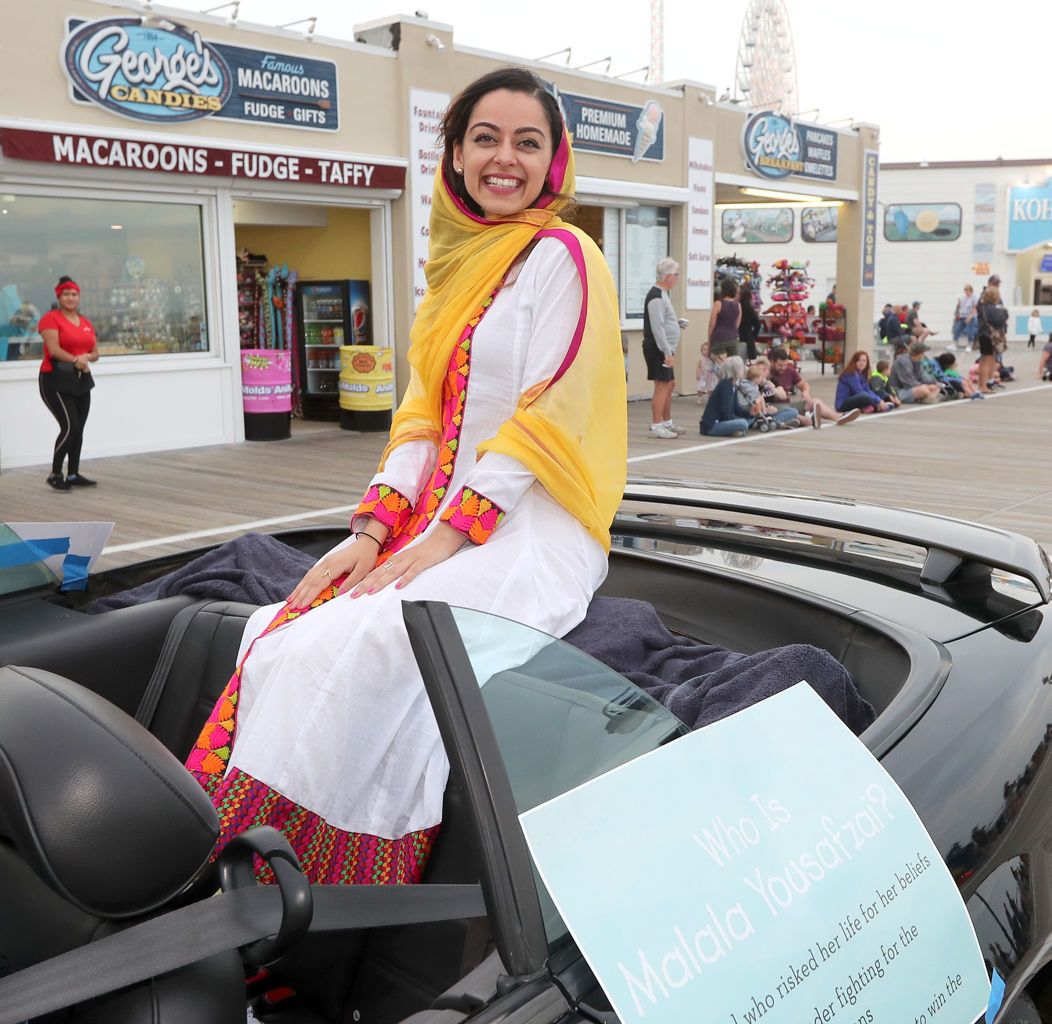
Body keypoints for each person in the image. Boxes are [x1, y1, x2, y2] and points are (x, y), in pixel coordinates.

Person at [185, 67, 627, 885]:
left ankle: (330, 887)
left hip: (528, 527)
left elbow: (547, 413)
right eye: (484, 139)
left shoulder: (566, 257)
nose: (505, 158)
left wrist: (452, 537)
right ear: (455, 155)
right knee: (287, 627)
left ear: (553, 160)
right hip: (440, 516)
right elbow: (420, 417)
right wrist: (372, 532)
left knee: (383, 636)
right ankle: (232, 871)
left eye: (527, 142)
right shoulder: (455, 269)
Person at [37, 276, 100, 491]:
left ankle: (73, 474)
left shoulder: (85, 323)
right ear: (59, 297)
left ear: (79, 297)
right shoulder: (50, 319)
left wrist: (86, 359)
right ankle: (56, 474)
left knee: (79, 429)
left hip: (81, 379)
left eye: (74, 294)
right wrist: (79, 360)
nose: (71, 298)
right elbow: (54, 351)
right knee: (70, 427)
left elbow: (95, 353)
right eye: (66, 294)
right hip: (55, 379)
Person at [643, 257, 685, 437]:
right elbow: (657, 327)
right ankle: (656, 425)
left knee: (670, 383)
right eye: (676, 274)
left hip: (665, 348)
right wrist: (666, 352)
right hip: (659, 349)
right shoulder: (656, 296)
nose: (677, 278)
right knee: (662, 385)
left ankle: (666, 421)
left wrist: (675, 323)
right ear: (668, 276)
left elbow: (663, 321)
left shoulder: (664, 294)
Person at [767, 347, 858, 427]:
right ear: (772, 362)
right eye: (779, 365)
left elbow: (803, 384)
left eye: (785, 365)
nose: (782, 368)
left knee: (814, 402)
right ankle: (809, 419)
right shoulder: (767, 373)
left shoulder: (790, 371)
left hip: (788, 403)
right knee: (805, 420)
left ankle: (838, 417)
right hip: (775, 406)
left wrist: (805, 392)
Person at [699, 355, 751, 437]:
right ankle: (735, 430)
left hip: (724, 420)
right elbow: (725, 408)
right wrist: (732, 422)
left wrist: (751, 413)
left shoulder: (733, 386)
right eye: (741, 368)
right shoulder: (725, 384)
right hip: (713, 425)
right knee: (743, 423)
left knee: (749, 418)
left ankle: (736, 429)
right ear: (735, 370)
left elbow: (736, 408)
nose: (743, 370)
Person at [737, 363, 800, 429]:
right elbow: (753, 402)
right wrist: (766, 410)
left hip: (769, 412)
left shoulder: (769, 381)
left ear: (768, 371)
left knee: (793, 411)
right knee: (760, 399)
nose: (763, 373)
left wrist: (773, 389)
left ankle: (771, 422)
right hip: (757, 412)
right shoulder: (749, 386)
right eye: (760, 370)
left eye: (765, 370)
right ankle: (777, 423)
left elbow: (784, 396)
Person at [975, 276, 1007, 395]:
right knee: (987, 360)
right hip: (988, 335)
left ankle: (984, 384)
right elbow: (999, 320)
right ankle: (984, 385)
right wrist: (1003, 311)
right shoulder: (991, 308)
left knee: (986, 359)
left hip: (984, 333)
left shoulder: (983, 305)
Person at [707, 276, 742, 361]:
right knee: (732, 367)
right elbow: (737, 323)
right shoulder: (738, 305)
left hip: (719, 338)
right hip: (733, 338)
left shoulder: (718, 304)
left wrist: (709, 341)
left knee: (720, 367)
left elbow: (712, 324)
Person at [738, 283, 761, 361]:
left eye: (738, 293)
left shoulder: (747, 310)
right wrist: (752, 337)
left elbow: (758, 325)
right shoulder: (749, 309)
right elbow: (757, 325)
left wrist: (752, 337)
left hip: (742, 340)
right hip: (742, 339)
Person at [952, 285, 978, 352]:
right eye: (965, 289)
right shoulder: (963, 297)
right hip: (962, 316)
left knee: (970, 331)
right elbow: (961, 307)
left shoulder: (974, 297)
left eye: (968, 289)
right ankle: (954, 344)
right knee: (957, 329)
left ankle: (970, 345)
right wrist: (959, 302)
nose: (966, 291)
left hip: (970, 317)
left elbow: (975, 308)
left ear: (971, 290)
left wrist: (970, 317)